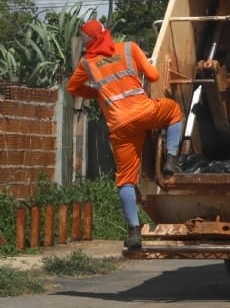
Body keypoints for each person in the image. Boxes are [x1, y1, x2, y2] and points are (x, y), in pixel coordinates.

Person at [66, 19, 184, 251]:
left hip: (119, 125)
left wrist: (96, 93)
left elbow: (72, 88)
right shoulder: (129, 48)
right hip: (145, 113)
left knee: (126, 179)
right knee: (174, 111)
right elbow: (153, 76)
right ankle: (171, 160)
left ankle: (134, 234)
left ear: (89, 41)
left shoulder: (87, 63)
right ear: (105, 33)